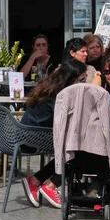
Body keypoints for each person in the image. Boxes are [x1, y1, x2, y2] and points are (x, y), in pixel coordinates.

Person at [20, 60, 88, 209]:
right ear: (71, 79)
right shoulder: (60, 95)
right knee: (78, 148)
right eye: (82, 79)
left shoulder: (51, 88)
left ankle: (36, 181)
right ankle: (50, 186)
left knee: (75, 146)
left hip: (26, 135)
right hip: (34, 138)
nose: (85, 83)